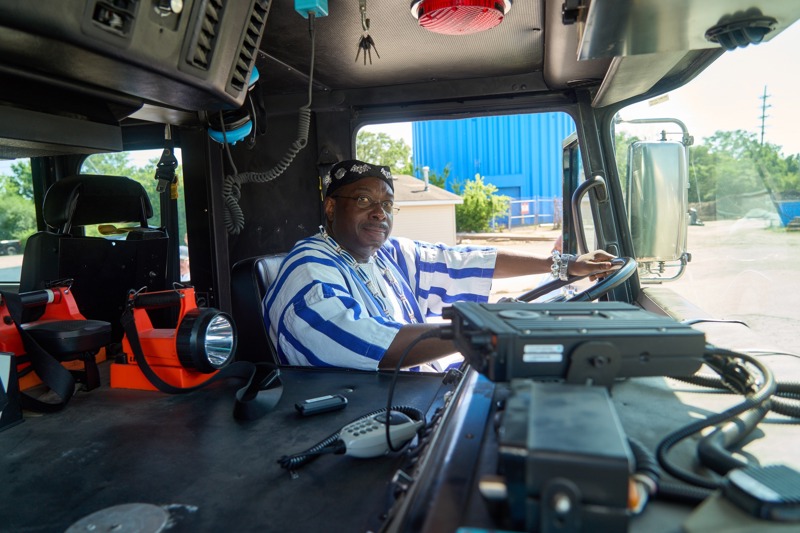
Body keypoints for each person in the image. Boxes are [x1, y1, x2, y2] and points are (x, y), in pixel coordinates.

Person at [264, 160, 616, 371]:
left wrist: (565, 266)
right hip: (363, 418)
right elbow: (377, 347)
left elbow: (466, 261)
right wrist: (487, 328)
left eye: (387, 204)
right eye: (364, 200)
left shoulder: (387, 255)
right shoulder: (309, 272)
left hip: (409, 393)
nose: (379, 213)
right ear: (331, 208)